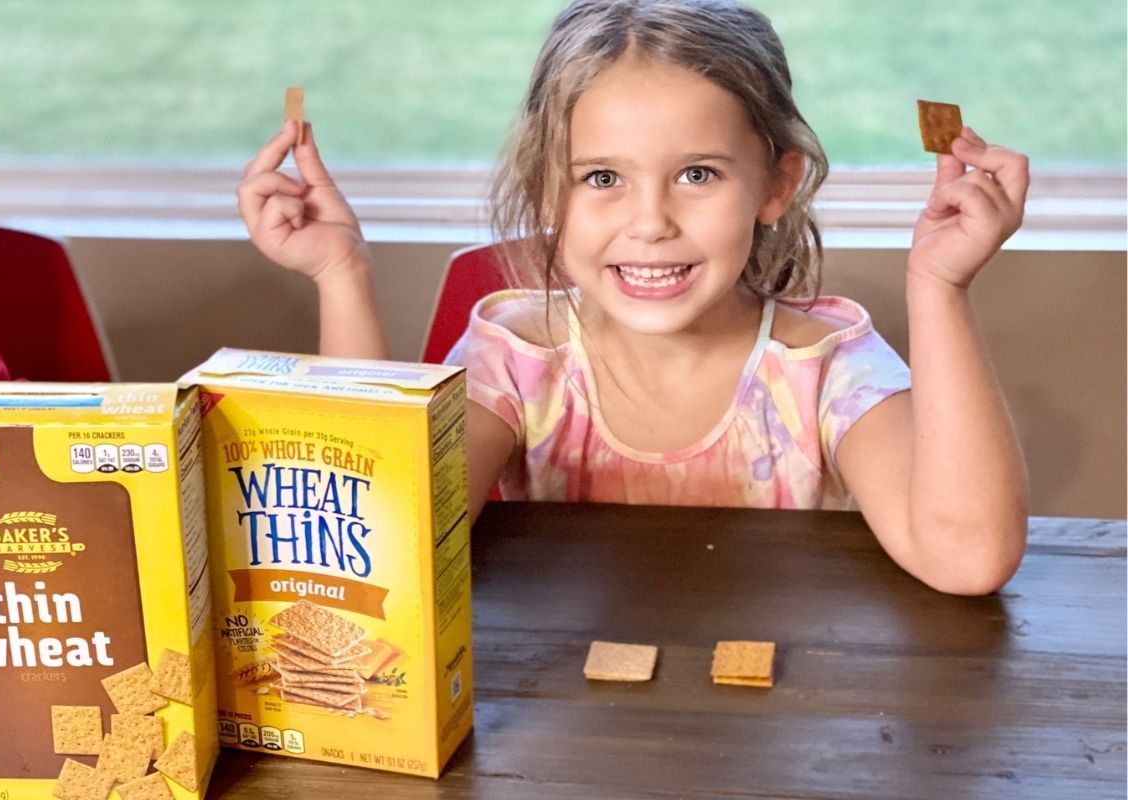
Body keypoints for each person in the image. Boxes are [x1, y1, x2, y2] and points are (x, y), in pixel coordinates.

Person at [237, 0, 1029, 595]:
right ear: (547, 190)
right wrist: (340, 277)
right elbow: (379, 545)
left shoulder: (824, 367)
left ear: (776, 184)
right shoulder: (518, 362)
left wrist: (940, 285)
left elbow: (968, 556)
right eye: (602, 178)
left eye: (698, 174)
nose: (650, 224)